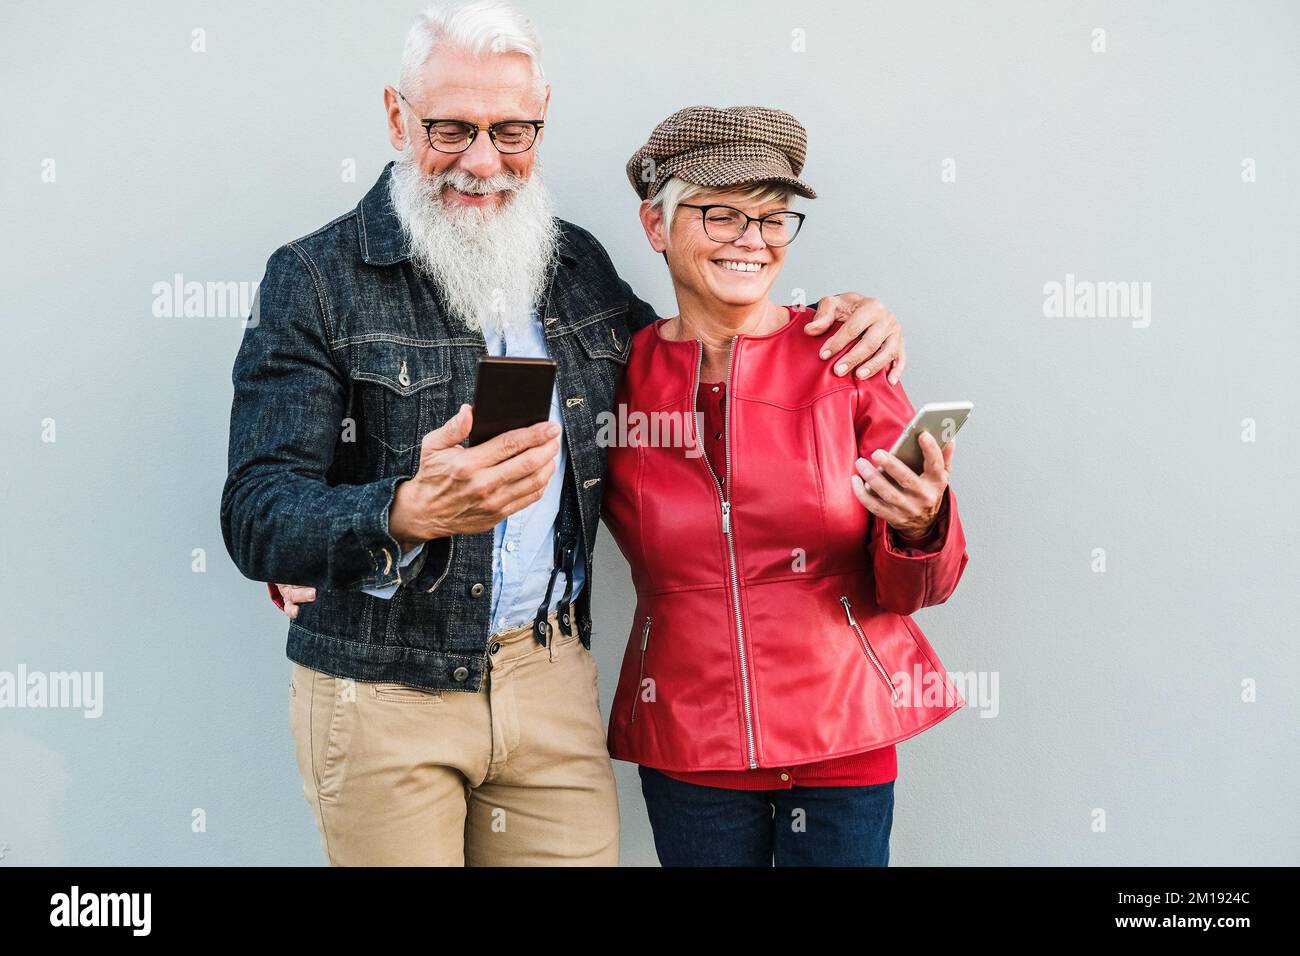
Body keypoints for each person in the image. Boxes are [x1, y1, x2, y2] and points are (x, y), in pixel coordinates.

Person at [224, 0, 908, 866]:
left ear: (541, 118)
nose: (483, 161)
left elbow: (696, 351)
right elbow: (258, 512)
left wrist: (844, 318)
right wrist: (400, 511)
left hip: (548, 679)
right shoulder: (314, 277)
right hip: (384, 684)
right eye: (451, 127)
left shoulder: (574, 263)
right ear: (397, 117)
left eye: (513, 131)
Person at [599, 105, 970, 866]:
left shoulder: (845, 355)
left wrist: (921, 525)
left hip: (845, 737)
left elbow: (919, 589)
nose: (752, 239)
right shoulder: (613, 375)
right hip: (689, 740)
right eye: (722, 214)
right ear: (655, 226)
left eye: (773, 219)